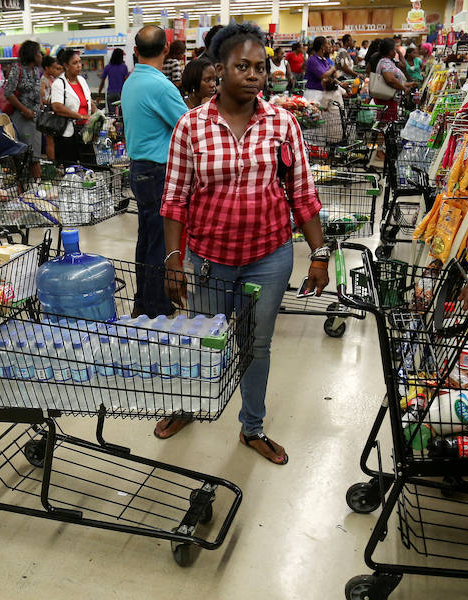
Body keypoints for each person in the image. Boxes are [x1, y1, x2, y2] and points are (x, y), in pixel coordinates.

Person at [160, 23, 328, 460]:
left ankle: (252, 427)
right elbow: (175, 198)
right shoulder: (191, 126)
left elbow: (302, 193)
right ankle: (187, 405)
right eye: (243, 66)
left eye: (260, 67)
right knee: (202, 338)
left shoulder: (282, 123)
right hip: (208, 259)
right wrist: (174, 260)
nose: (254, 75)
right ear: (219, 69)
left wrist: (319, 254)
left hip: (268, 258)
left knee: (255, 344)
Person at [120, 25, 188, 324]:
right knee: (160, 241)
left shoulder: (132, 81)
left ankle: (143, 302)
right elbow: (187, 127)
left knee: (147, 239)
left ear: (136, 51)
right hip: (158, 172)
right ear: (166, 49)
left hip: (139, 169)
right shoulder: (161, 86)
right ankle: (156, 306)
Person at [4, 40, 44, 176]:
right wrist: (24, 110)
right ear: (32, 54)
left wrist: (40, 103)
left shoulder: (36, 70)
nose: (41, 56)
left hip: (35, 118)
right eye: (39, 53)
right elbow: (8, 92)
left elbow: (35, 91)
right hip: (22, 118)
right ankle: (24, 183)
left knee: (35, 155)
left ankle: (34, 184)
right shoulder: (17, 69)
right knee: (24, 154)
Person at [50, 48, 95, 164]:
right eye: (75, 63)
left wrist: (98, 114)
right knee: (71, 166)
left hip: (85, 131)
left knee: (90, 164)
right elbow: (57, 107)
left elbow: (89, 101)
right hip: (68, 132)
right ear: (66, 66)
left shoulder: (82, 80)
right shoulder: (59, 84)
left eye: (80, 62)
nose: (79, 65)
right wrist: (80, 116)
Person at [371, 37, 418, 122]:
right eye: (394, 49)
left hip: (388, 99)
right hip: (386, 99)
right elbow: (390, 80)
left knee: (387, 122)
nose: (395, 51)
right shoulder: (385, 62)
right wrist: (404, 88)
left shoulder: (388, 61)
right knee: (387, 122)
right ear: (389, 51)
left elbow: (396, 80)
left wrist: (409, 84)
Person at [40, 55, 63, 161]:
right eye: (53, 68)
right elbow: (42, 98)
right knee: (50, 140)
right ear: (46, 68)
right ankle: (51, 161)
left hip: (55, 109)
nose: (55, 70)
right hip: (48, 111)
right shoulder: (43, 80)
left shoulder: (53, 79)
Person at [303, 36, 337, 104]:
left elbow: (333, 75)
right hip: (314, 94)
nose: (329, 46)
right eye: (327, 44)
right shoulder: (313, 60)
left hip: (323, 93)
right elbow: (322, 75)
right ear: (322, 47)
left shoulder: (324, 60)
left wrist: (339, 83)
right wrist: (332, 69)